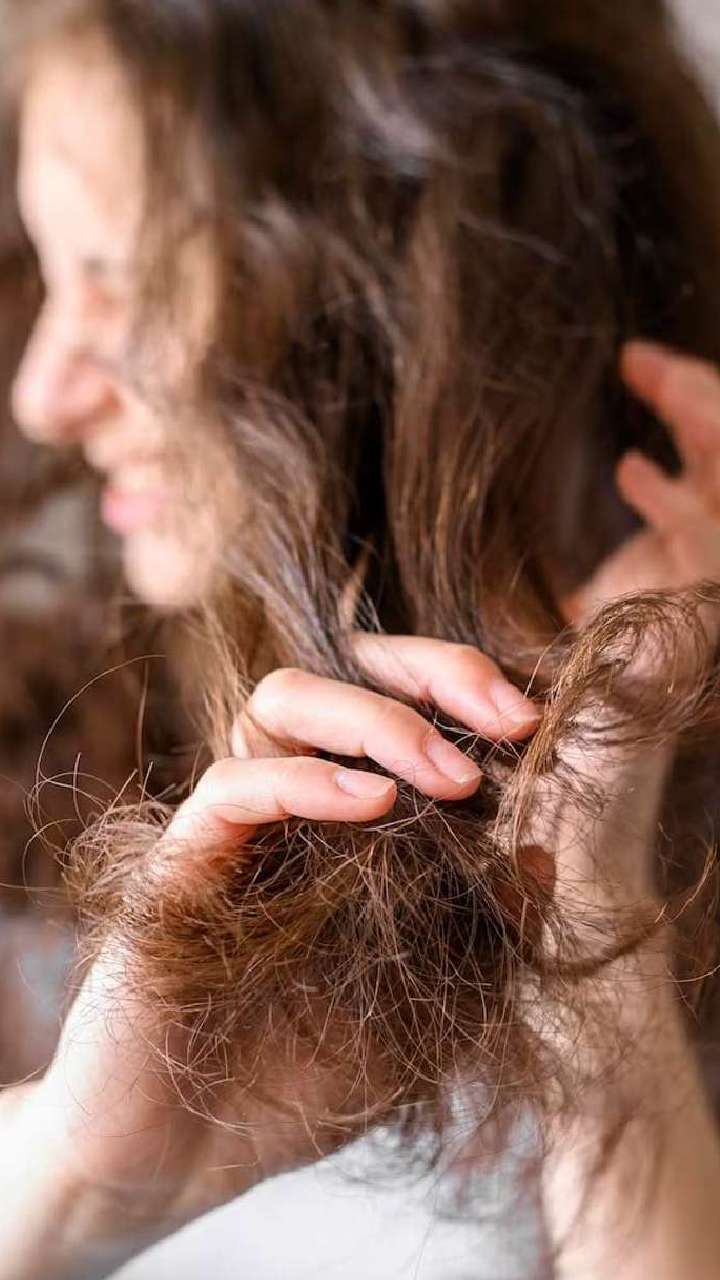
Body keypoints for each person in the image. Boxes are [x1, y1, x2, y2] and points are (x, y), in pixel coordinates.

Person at [1, 1, 720, 1277]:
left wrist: (598, 921)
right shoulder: (37, 767)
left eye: (122, 278)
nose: (41, 394)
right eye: (50, 269)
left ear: (403, 306)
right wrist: (73, 1183)